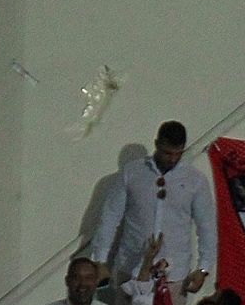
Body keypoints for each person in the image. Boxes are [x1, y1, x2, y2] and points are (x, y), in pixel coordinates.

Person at [87, 119, 216, 292]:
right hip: (131, 267)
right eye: (167, 153)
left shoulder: (195, 180)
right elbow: (110, 217)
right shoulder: (132, 172)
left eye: (178, 153)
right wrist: (100, 260)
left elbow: (207, 226)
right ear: (156, 144)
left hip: (174, 274)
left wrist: (203, 268)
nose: (172, 159)